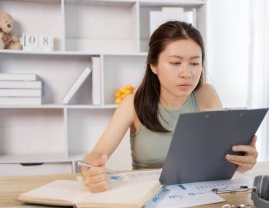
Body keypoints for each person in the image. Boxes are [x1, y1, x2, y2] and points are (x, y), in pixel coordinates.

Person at [81, 21, 258, 192]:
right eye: (175, 63)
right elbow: (98, 154)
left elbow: (220, 157)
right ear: (153, 65)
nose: (187, 73)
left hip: (197, 193)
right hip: (147, 194)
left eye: (195, 63)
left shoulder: (207, 94)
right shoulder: (133, 103)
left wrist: (241, 161)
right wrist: (91, 171)